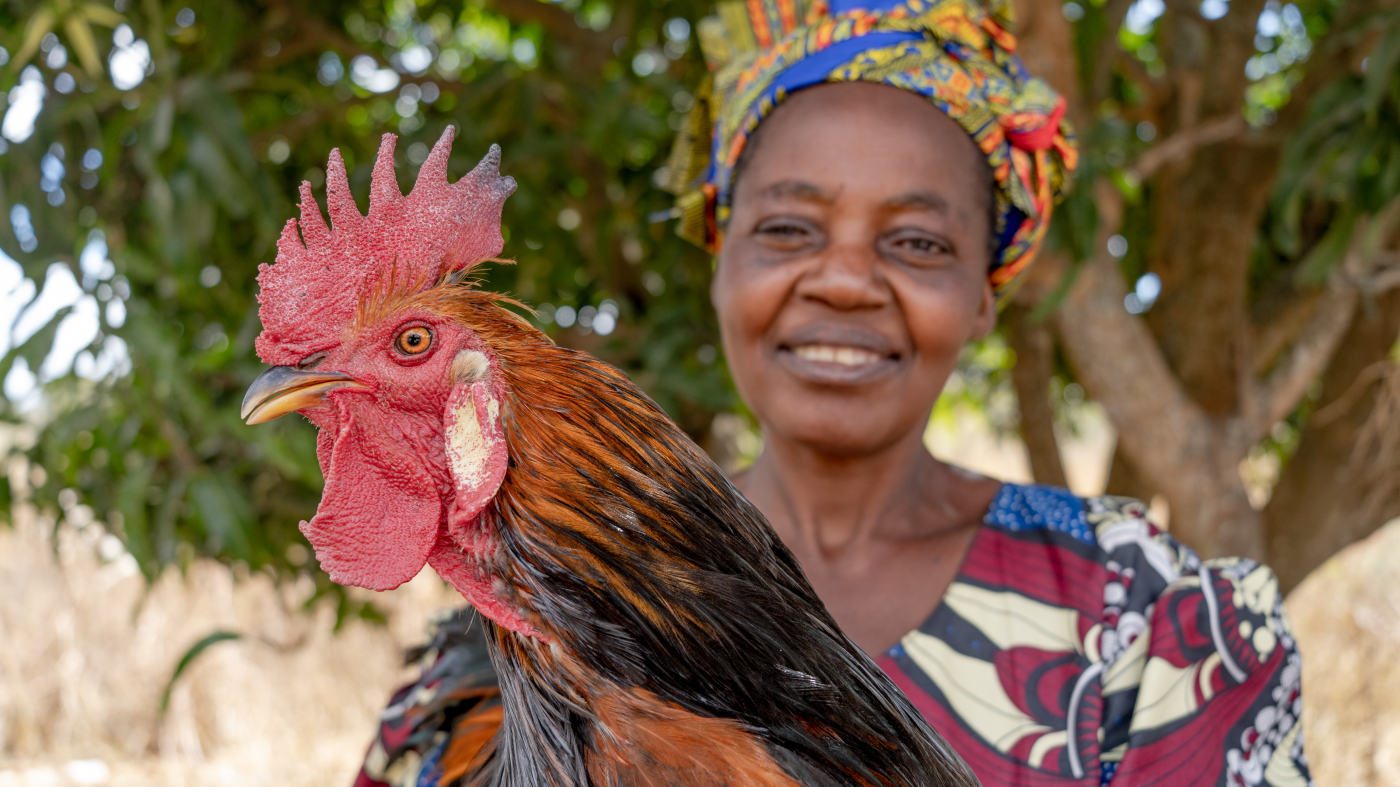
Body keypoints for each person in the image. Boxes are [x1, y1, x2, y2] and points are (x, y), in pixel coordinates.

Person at [357, 0, 1312, 784]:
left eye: (918, 243)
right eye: (787, 230)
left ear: (985, 295)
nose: (846, 280)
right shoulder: (480, 664)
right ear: (718, 256)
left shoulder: (1149, 621)